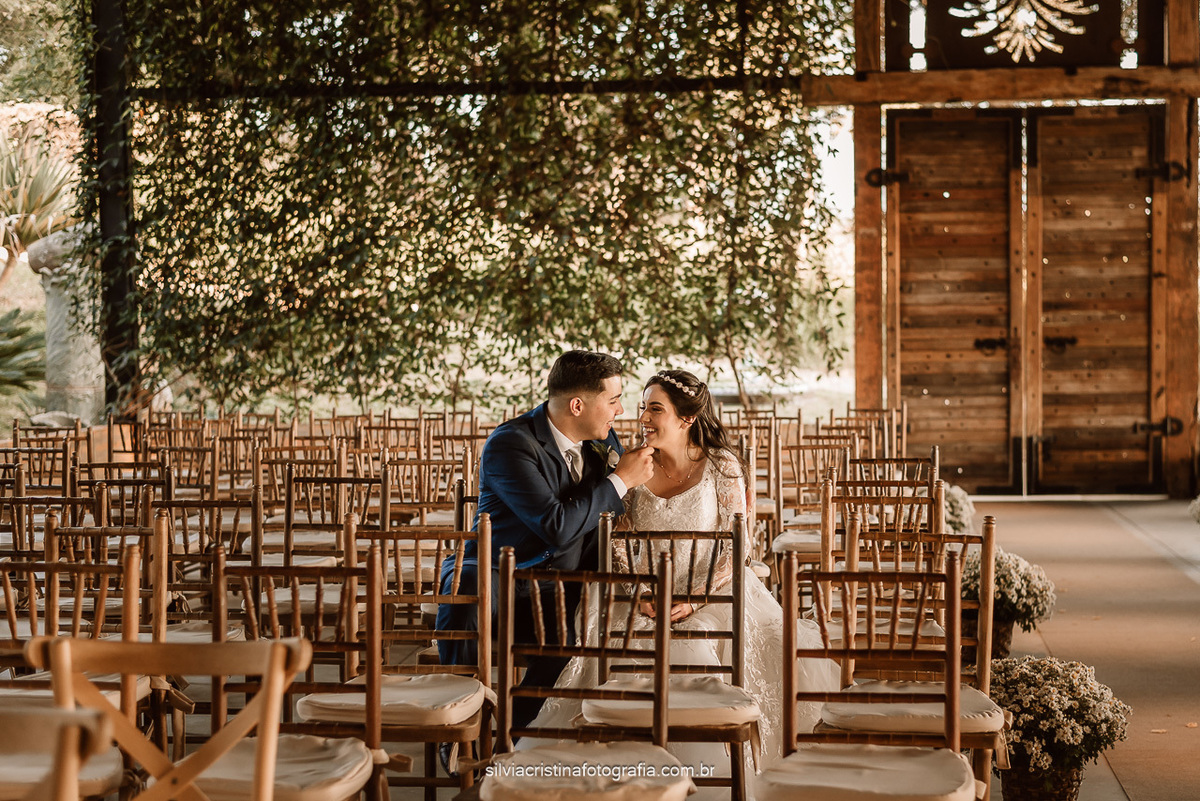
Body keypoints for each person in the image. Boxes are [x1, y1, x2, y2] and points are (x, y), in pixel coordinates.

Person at [521, 370, 839, 793]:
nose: (643, 417)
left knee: (704, 644)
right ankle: (627, 777)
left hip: (712, 591)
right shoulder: (631, 464)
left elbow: (737, 546)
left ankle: (709, 775)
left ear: (687, 418)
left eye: (655, 409)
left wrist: (694, 599)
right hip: (643, 592)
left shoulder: (723, 466)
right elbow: (618, 540)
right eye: (642, 407)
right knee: (618, 639)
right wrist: (640, 592)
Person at [435, 350, 656, 731]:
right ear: (577, 405)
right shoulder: (511, 444)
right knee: (468, 595)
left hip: (561, 581)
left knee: (577, 632)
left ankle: (510, 730)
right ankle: (455, 725)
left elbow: (608, 515)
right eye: (613, 400)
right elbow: (555, 525)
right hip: (499, 570)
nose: (620, 411)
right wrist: (619, 480)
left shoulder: (603, 439)